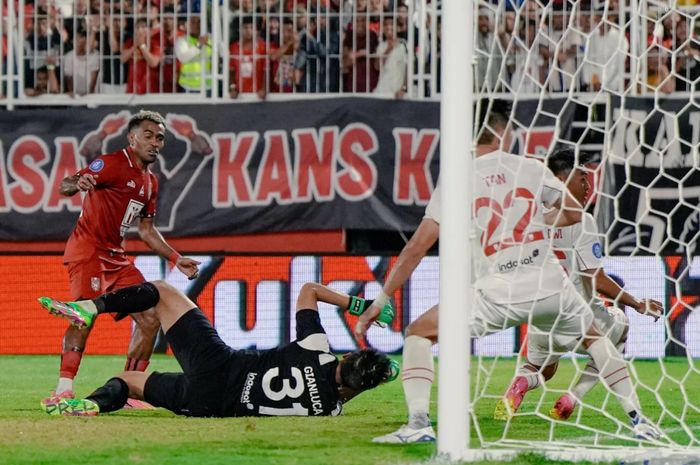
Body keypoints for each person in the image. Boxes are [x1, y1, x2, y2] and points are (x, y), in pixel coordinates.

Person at [355, 103, 662, 444]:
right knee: (598, 338)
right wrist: (541, 224)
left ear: (470, 136)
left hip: (497, 292)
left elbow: (417, 246)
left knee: (418, 333)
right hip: (550, 287)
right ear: (505, 133)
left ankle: (418, 424)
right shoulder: (529, 167)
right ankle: (639, 420)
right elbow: (575, 213)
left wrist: (381, 298)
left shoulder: (459, 178)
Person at [38, 280, 397, 417]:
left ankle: (91, 308)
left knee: (163, 291)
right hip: (208, 403)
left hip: (219, 363)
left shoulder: (318, 349)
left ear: (347, 354)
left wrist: (359, 306)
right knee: (128, 379)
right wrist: (378, 375)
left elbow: (309, 290)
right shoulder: (329, 409)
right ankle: (92, 405)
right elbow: (350, 386)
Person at [44, 110, 201, 409]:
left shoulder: (150, 182)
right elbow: (67, 183)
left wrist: (175, 258)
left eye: (160, 138)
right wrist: (79, 184)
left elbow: (146, 230)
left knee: (150, 316)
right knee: (83, 315)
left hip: (117, 258)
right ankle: (63, 389)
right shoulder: (113, 163)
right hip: (88, 251)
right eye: (148, 136)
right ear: (132, 137)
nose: (155, 142)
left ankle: (131, 390)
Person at [497, 148, 664, 421]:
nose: (588, 185)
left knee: (541, 370)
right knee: (619, 327)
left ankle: (521, 384)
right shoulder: (581, 221)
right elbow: (596, 279)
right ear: (562, 179)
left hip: (541, 315)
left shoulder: (532, 218)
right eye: (582, 177)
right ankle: (571, 400)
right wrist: (636, 303)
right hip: (579, 318)